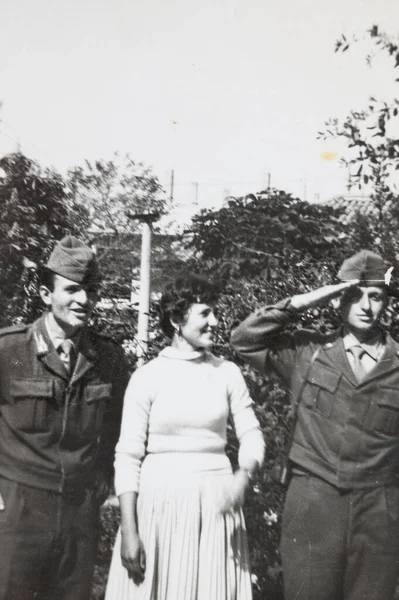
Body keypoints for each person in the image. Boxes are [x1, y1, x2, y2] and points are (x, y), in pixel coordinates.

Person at [231, 249, 399, 600]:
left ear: (387, 303)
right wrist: (304, 301)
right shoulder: (308, 352)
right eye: (354, 295)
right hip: (314, 503)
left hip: (379, 510)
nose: (366, 306)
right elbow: (244, 339)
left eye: (376, 296)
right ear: (337, 300)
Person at [105, 274, 265, 600]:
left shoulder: (227, 373)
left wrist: (243, 475)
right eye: (205, 313)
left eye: (214, 313)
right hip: (158, 510)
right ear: (177, 319)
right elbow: (128, 456)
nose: (215, 322)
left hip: (215, 509)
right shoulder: (147, 377)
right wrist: (130, 532)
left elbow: (252, 435)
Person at [0, 235, 129, 600]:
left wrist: (102, 482)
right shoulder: (9, 350)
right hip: (18, 509)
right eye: (72, 289)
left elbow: (118, 428)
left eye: (91, 290)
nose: (84, 300)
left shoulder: (108, 359)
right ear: (45, 294)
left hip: (78, 512)